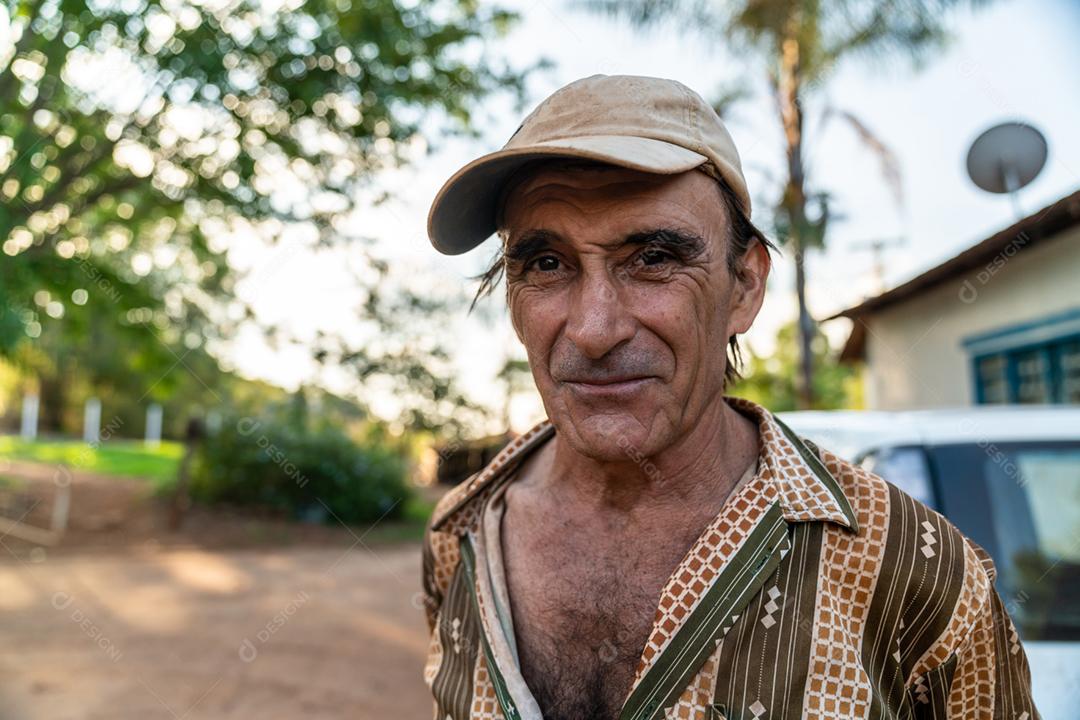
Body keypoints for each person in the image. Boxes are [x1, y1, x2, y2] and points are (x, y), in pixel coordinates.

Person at [420, 74, 1038, 720]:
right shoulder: (461, 536)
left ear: (744, 285)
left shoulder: (915, 572)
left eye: (653, 257)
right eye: (546, 264)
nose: (594, 330)